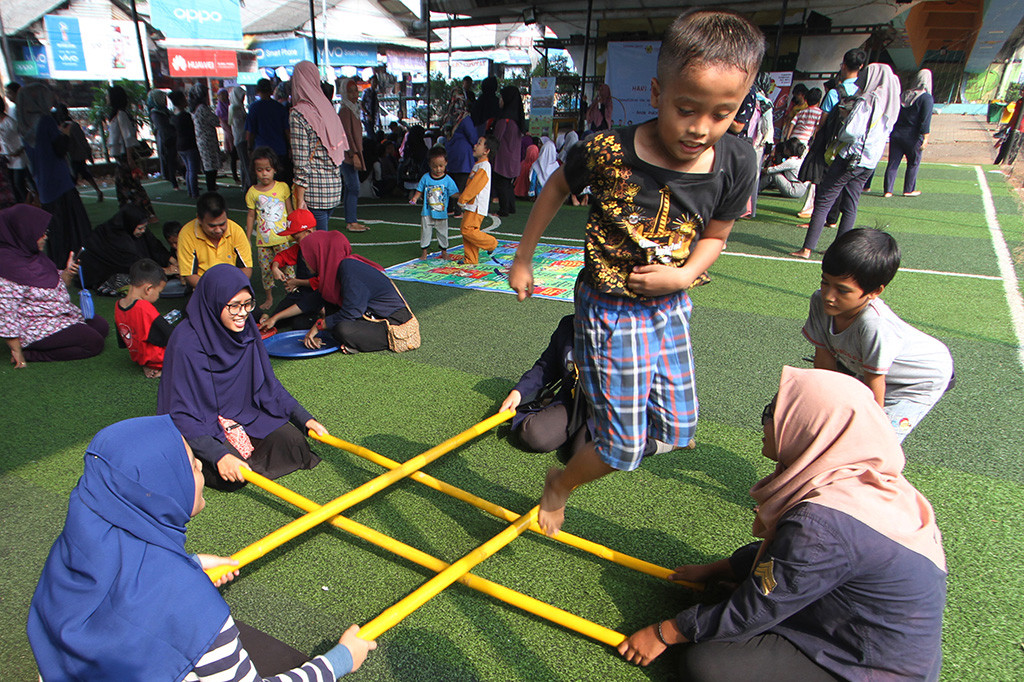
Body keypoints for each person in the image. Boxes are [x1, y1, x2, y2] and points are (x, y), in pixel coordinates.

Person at [508, 9, 763, 536]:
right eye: (686, 109)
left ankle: (605, 432)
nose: (699, 128)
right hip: (611, 310)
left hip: (671, 304)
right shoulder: (608, 151)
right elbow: (556, 187)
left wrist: (685, 275)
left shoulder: (736, 159)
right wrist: (523, 257)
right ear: (656, 92)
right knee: (623, 449)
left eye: (722, 113)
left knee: (678, 428)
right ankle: (561, 482)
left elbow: (716, 235)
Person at [617, 367, 947, 682]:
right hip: (851, 625)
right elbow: (787, 557)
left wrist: (667, 632)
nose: (765, 420)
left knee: (708, 663)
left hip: (864, 665)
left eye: (775, 412)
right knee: (729, 602)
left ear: (810, 426)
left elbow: (760, 603)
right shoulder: (860, 480)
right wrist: (719, 569)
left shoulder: (822, 523)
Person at [27, 415, 376, 680]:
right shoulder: (187, 606)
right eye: (192, 467)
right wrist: (339, 660)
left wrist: (189, 563)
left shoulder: (72, 552)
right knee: (284, 659)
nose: (200, 469)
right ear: (161, 488)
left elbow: (120, 583)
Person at [158, 264, 327, 490]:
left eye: (248, 304)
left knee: (294, 444)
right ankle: (198, 458)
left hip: (245, 413)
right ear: (214, 302)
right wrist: (218, 455)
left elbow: (269, 385)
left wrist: (304, 419)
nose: (243, 313)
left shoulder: (246, 328)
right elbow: (180, 412)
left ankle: (235, 452)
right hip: (203, 421)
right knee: (232, 477)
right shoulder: (186, 342)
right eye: (234, 306)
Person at [802, 228, 953, 442]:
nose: (829, 296)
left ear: (875, 291)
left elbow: (875, 384)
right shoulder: (819, 302)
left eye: (843, 290)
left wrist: (870, 427)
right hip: (871, 370)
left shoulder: (874, 323)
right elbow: (824, 360)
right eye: (825, 282)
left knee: (874, 442)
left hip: (918, 380)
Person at [790, 64, 900, 259]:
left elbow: (851, 131)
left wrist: (840, 134)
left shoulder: (868, 100)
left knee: (824, 199)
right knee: (850, 203)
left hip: (850, 157)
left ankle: (806, 248)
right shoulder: (891, 102)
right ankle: (839, 249)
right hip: (869, 161)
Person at [0, 204, 108, 367]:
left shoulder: (33, 256)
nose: (45, 237)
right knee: (93, 343)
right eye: (40, 234)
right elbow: (6, 313)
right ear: (23, 234)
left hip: (59, 314)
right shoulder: (7, 267)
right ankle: (33, 354)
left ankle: (67, 332)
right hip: (36, 325)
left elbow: (56, 284)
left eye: (45, 232)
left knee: (101, 327)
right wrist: (17, 350)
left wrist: (67, 272)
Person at [298, 230, 413, 354]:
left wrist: (319, 325)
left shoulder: (349, 268)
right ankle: (354, 340)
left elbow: (352, 312)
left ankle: (368, 342)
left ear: (318, 253)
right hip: (368, 315)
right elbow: (314, 300)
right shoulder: (333, 271)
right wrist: (275, 318)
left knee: (342, 329)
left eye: (307, 257)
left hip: (393, 322)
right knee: (330, 310)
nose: (305, 262)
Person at [18, 83, 92, 267]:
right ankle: (79, 262)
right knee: (75, 227)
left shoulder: (24, 125)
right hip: (60, 182)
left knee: (57, 231)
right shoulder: (45, 121)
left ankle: (60, 264)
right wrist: (65, 133)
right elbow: (59, 150)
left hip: (44, 185)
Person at [499, 314, 592, 457]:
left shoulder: (622, 336)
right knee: (534, 435)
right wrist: (519, 391)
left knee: (583, 456)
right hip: (571, 401)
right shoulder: (568, 325)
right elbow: (545, 367)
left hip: (605, 411)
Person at [289, 61, 349, 233]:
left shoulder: (299, 113)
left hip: (314, 193)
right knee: (319, 246)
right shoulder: (327, 108)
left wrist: (299, 204)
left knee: (315, 250)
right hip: (333, 189)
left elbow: (301, 163)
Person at [80, 203, 176, 291]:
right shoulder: (117, 238)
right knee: (141, 280)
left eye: (145, 227)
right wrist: (165, 271)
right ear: (131, 224)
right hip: (106, 273)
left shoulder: (134, 228)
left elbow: (155, 246)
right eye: (140, 228)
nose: (143, 231)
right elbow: (135, 264)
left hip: (133, 263)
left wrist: (174, 261)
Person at [246, 146, 293, 310]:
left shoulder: (283, 187)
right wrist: (247, 238)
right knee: (265, 270)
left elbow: (289, 210)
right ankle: (269, 298)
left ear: (274, 169)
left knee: (288, 268)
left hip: (282, 238)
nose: (264, 173)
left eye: (268, 169)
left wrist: (293, 230)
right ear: (254, 171)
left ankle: (291, 294)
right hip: (263, 241)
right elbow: (251, 215)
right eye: (259, 170)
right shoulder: (252, 192)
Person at [258, 209, 321, 332]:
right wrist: (275, 267)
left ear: (309, 232)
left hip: (320, 295)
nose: (294, 241)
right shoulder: (300, 247)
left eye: (296, 238)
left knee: (300, 324)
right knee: (274, 320)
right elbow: (282, 256)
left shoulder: (322, 250)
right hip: (301, 294)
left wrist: (296, 282)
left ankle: (317, 315)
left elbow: (323, 283)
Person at [177, 192, 253, 289]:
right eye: (212, 226)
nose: (218, 230)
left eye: (222, 224)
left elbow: (246, 268)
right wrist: (215, 291)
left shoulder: (236, 230)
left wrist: (233, 288)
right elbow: (189, 274)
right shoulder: (186, 234)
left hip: (233, 287)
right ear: (199, 219)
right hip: (203, 288)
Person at [115, 258, 173, 378]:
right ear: (148, 289)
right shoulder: (143, 307)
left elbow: (124, 341)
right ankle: (165, 370)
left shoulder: (118, 305)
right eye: (159, 292)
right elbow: (169, 334)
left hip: (141, 358)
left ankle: (150, 366)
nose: (158, 297)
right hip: (160, 358)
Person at [883, 69, 934, 198]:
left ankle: (888, 190)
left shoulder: (904, 95)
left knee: (893, 163)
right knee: (913, 163)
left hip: (897, 134)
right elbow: (925, 119)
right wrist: (926, 137)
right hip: (913, 136)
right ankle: (909, 189)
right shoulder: (926, 98)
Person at [107, 86, 156, 220]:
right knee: (124, 186)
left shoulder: (121, 115)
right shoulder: (116, 115)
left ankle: (148, 213)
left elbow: (128, 138)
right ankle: (129, 214)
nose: (107, 99)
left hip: (125, 156)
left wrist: (129, 158)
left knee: (132, 186)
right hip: (120, 157)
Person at [410, 146, 460, 259]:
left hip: (441, 213)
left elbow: (453, 193)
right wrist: (415, 198)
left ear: (446, 163)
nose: (438, 169)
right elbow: (419, 189)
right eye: (434, 166)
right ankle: (424, 252)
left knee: (443, 233)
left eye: (441, 166)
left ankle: (444, 252)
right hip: (427, 212)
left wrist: (463, 196)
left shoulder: (448, 180)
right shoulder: (426, 178)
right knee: (425, 233)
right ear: (429, 164)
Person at [456, 136, 498, 265]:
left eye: (479, 144)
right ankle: (471, 258)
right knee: (468, 230)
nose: (475, 145)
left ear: (486, 151)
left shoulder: (484, 166)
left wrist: (463, 199)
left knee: (467, 230)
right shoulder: (479, 165)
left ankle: (491, 244)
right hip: (472, 205)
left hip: (476, 206)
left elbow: (475, 186)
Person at [338, 78, 369, 233]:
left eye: (355, 90)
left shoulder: (353, 109)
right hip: (348, 155)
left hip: (352, 153)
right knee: (353, 187)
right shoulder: (345, 110)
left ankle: (352, 220)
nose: (354, 94)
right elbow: (347, 135)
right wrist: (354, 154)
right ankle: (351, 221)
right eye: (350, 91)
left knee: (352, 187)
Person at [55, 103, 103, 203]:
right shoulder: (62, 127)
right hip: (71, 156)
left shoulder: (70, 126)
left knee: (75, 176)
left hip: (75, 156)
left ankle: (75, 197)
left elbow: (81, 141)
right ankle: (97, 191)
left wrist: (87, 152)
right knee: (83, 174)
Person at [492, 86, 525, 216]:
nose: (500, 100)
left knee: (501, 184)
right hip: (514, 157)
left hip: (503, 158)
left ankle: (503, 209)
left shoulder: (504, 119)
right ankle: (510, 207)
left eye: (501, 97)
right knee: (508, 184)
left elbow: (496, 138)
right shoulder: (517, 119)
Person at [246, 78, 290, 163]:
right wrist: (290, 148)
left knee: (264, 175)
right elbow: (287, 131)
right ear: (271, 90)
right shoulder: (280, 108)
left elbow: (250, 133)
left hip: (261, 151)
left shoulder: (254, 108)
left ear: (257, 90)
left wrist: (249, 149)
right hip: (279, 150)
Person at [190, 82, 221, 193]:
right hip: (207, 140)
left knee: (209, 165)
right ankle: (211, 190)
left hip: (202, 139)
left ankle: (211, 188)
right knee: (211, 167)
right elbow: (215, 121)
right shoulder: (202, 108)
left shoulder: (194, 108)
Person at [171, 90, 201, 198]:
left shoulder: (174, 116)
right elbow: (191, 131)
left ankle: (190, 191)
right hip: (189, 145)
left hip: (180, 145)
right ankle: (194, 192)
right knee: (192, 170)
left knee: (189, 169)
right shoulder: (185, 116)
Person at [148, 88, 179, 190]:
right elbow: (163, 128)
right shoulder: (155, 113)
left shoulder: (164, 111)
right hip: (166, 138)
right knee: (170, 160)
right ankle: (173, 182)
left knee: (175, 159)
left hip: (173, 137)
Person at [0, 96, 30, 203]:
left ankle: (30, 203)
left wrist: (20, 150)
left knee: (19, 183)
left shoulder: (10, 122)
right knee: (12, 185)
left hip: (18, 157)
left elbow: (22, 137)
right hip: (6, 159)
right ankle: (20, 205)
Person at [229, 87, 251, 189]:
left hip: (242, 138)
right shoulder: (234, 109)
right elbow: (235, 124)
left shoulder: (240, 107)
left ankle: (245, 185)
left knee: (244, 164)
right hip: (240, 139)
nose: (242, 98)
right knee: (246, 164)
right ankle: (249, 186)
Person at [216, 87, 238, 183]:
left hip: (235, 133)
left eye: (225, 95)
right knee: (233, 156)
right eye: (222, 95)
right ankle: (235, 176)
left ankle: (236, 175)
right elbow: (224, 123)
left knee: (236, 156)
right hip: (229, 135)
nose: (224, 97)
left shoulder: (230, 106)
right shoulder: (220, 109)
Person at [361, 75, 381, 141]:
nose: (375, 84)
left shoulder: (375, 93)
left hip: (373, 116)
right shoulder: (366, 92)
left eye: (376, 82)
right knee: (371, 135)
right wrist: (367, 114)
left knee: (372, 133)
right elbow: (361, 104)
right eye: (374, 82)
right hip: (366, 117)